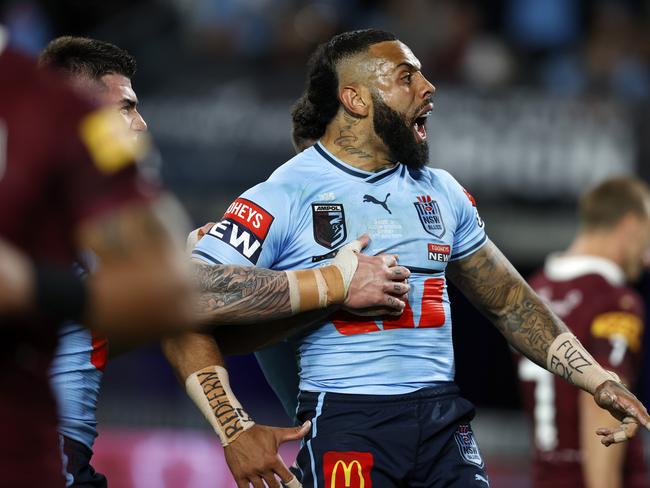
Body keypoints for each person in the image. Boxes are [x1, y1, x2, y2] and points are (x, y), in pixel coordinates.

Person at [179, 28, 650, 488]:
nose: (428, 88)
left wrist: (597, 379)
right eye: (407, 77)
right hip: (349, 419)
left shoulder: (442, 192)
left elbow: (510, 302)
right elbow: (183, 298)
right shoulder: (284, 194)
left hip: (444, 420)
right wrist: (235, 426)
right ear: (356, 100)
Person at [39, 35, 411, 488]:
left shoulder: (64, 221)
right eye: (125, 107)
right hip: (38, 455)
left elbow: (88, 338)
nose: (140, 124)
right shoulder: (54, 212)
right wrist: (335, 281)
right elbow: (190, 293)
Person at [0, 29, 196, 487]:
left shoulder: (96, 218)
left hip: (46, 454)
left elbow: (170, 292)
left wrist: (31, 288)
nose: (141, 123)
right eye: (126, 106)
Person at [518, 177, 650, 488]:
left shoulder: (533, 292)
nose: (647, 257)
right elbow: (602, 401)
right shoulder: (614, 301)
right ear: (630, 225)